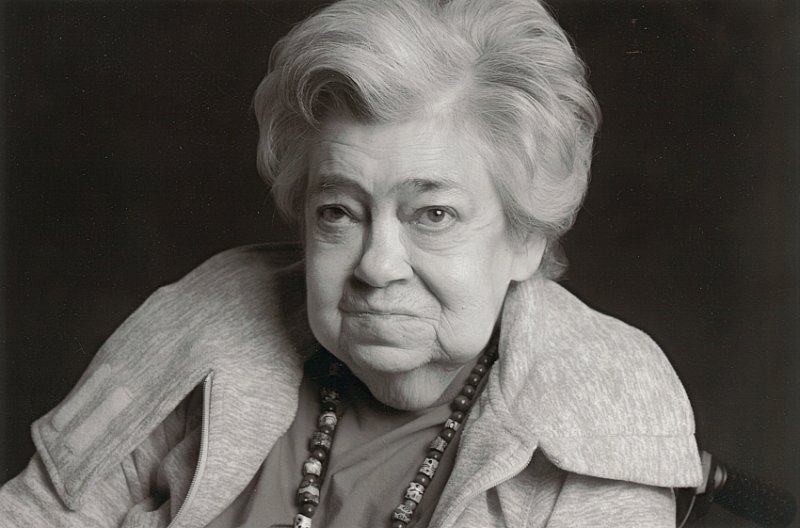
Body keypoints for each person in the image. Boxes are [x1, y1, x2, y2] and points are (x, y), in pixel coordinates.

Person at [0, 0, 702, 526]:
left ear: (525, 239)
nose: (377, 266)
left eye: (433, 215)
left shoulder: (606, 400)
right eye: (339, 212)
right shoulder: (212, 314)